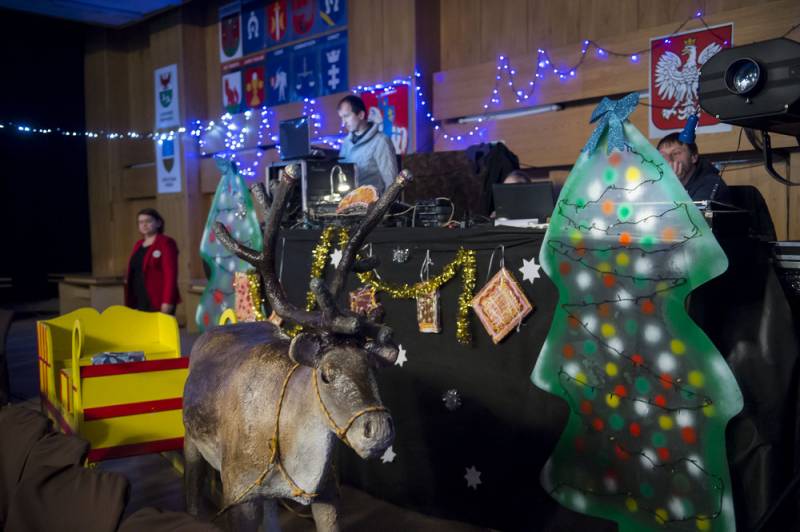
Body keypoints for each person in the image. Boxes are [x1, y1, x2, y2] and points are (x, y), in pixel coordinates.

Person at [337, 94, 398, 194]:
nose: (343, 122)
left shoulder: (381, 141)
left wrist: (382, 204)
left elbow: (391, 183)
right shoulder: (346, 142)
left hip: (373, 202)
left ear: (361, 115)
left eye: (346, 116)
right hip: (349, 201)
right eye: (341, 117)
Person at [125, 208, 180, 314]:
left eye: (148, 221)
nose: (144, 225)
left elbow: (170, 274)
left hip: (158, 299)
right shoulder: (138, 244)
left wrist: (167, 301)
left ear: (158, 223)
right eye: (141, 222)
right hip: (138, 298)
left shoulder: (166, 242)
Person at [657, 132, 731, 203]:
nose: (668, 159)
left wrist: (674, 184)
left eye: (676, 153)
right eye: (662, 156)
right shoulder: (657, 182)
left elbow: (686, 211)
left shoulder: (711, 183)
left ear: (693, 157)